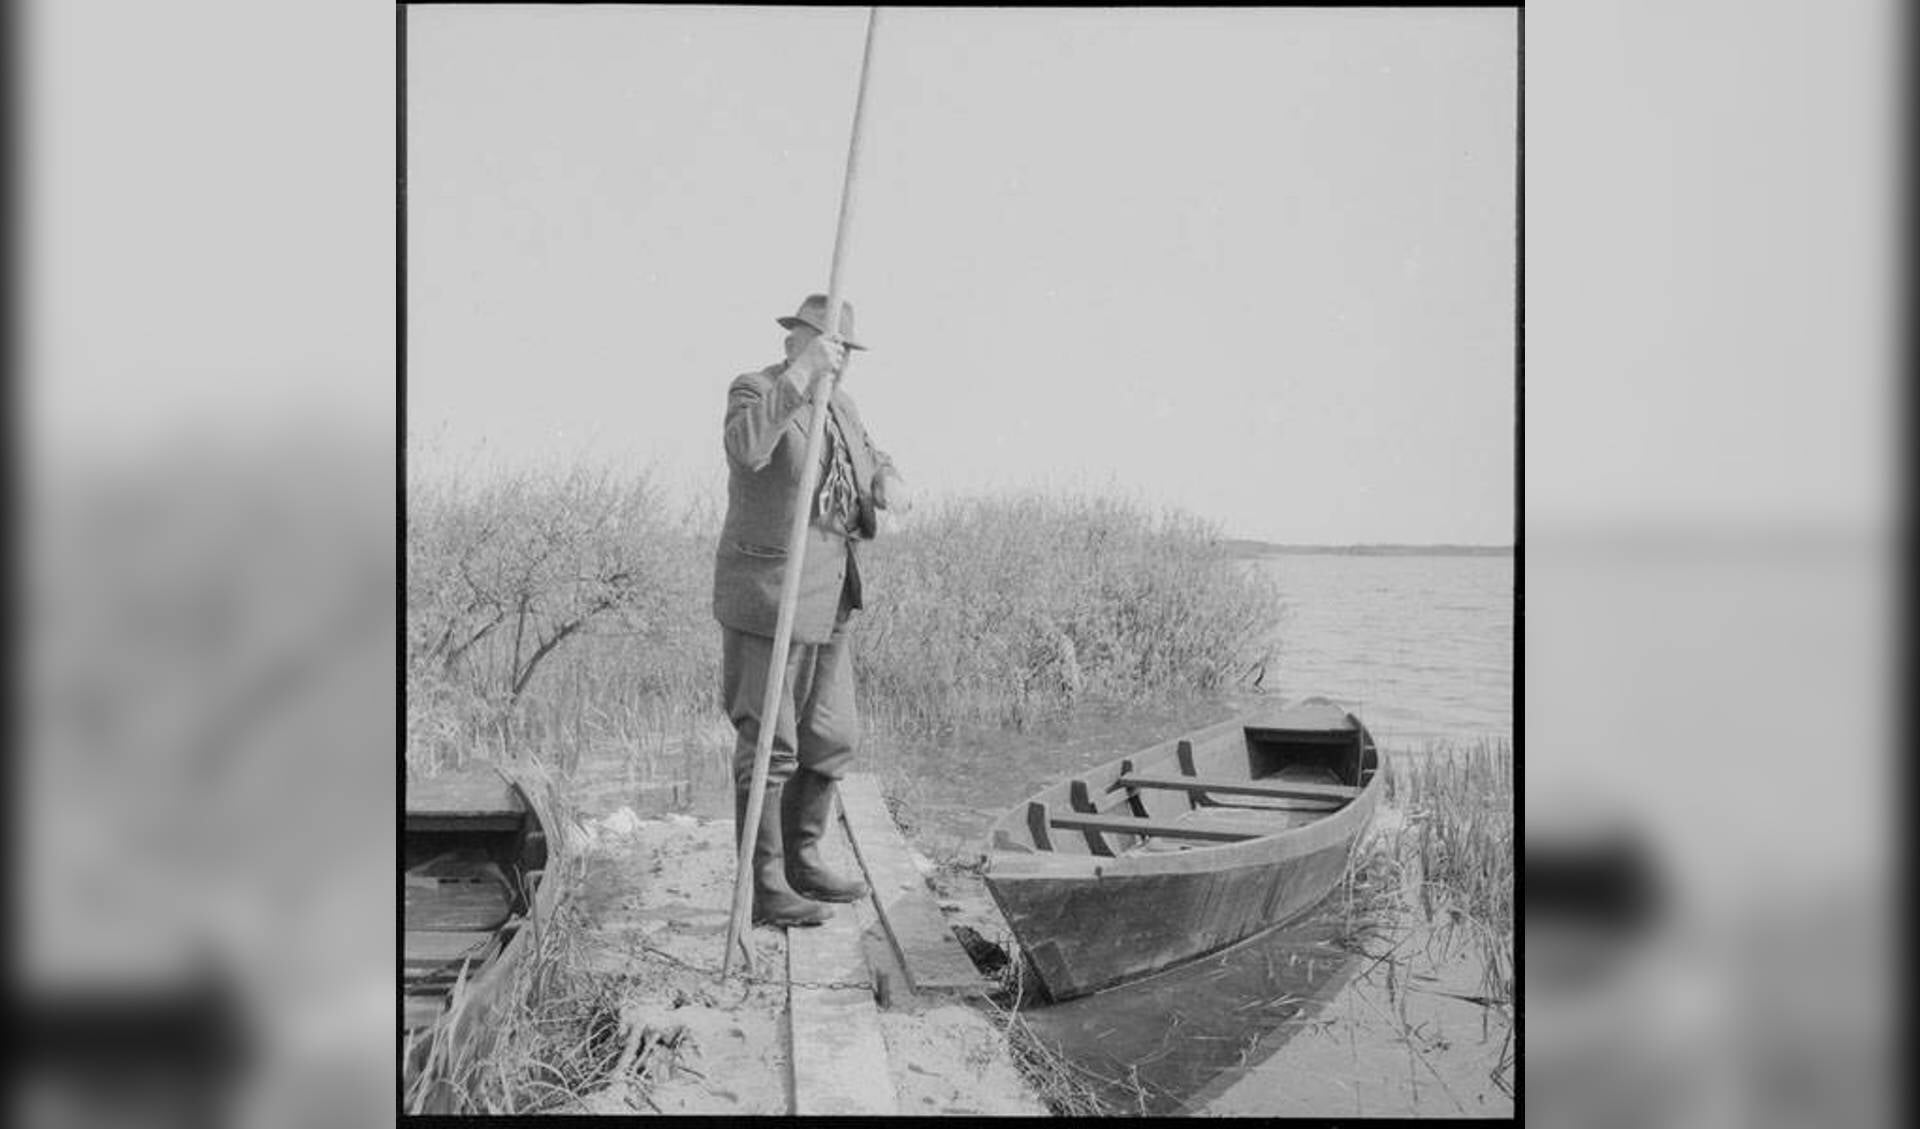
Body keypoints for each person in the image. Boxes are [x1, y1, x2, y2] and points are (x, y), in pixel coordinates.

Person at [713, 293, 909, 927]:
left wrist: (886, 479)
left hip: (831, 595)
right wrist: (800, 379)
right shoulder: (756, 389)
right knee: (770, 742)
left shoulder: (843, 404)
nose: (839, 359)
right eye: (827, 345)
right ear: (792, 341)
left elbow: (870, 455)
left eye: (846, 350)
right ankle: (765, 887)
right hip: (772, 595)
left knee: (832, 736)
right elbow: (747, 449)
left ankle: (802, 861)